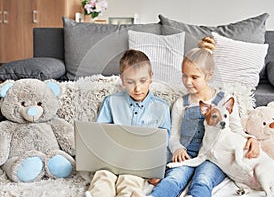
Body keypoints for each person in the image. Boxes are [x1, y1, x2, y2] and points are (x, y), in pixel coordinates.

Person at [146, 37, 260, 197]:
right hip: (188, 153)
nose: (187, 82)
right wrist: (177, 148)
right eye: (184, 75)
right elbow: (173, 134)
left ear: (209, 75)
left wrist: (250, 138)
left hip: (216, 155)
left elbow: (235, 128)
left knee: (203, 180)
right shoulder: (182, 103)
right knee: (174, 179)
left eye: (194, 77)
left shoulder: (224, 99)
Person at [85, 49, 171, 197]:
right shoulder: (111, 102)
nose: (137, 88)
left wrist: (158, 169)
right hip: (110, 160)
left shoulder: (161, 108)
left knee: (130, 180)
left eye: (143, 81)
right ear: (123, 80)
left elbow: (164, 145)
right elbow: (99, 136)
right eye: (130, 82)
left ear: (151, 78)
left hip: (138, 165)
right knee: (103, 177)